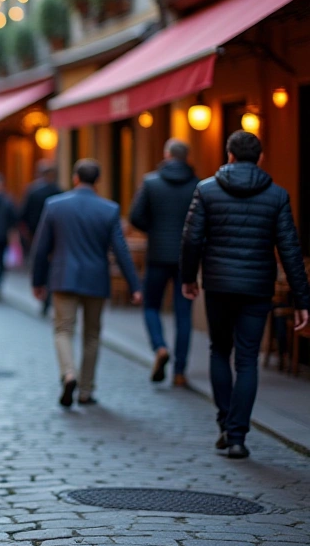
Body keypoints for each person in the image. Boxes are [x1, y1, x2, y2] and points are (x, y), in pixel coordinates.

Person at [181, 131, 310, 460]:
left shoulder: (206, 190)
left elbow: (192, 239)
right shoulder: (277, 195)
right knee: (248, 359)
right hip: (257, 288)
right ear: (261, 157)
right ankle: (238, 436)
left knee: (219, 350)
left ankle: (225, 424)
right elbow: (290, 250)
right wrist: (301, 299)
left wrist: (188, 278)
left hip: (219, 285)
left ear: (229, 155)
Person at [31, 159, 142, 409]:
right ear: (98, 182)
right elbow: (121, 250)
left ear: (75, 178)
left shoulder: (55, 205)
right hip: (95, 278)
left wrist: (38, 281)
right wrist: (134, 285)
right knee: (92, 335)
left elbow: (41, 248)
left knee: (62, 330)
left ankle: (68, 373)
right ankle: (85, 390)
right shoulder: (109, 209)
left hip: (64, 278)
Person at [128, 139, 200, 387]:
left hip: (158, 255)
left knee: (151, 306)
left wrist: (155, 230)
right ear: (186, 157)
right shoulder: (197, 185)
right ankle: (180, 372)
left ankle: (159, 347)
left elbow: (135, 216)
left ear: (167, 154)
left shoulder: (151, 182)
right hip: (185, 258)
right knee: (184, 314)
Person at [20, 161, 62, 315]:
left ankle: (42, 291)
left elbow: (24, 213)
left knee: (39, 262)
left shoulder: (33, 191)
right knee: (52, 265)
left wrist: (26, 231)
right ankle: (48, 295)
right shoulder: (59, 191)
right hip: (56, 235)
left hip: (36, 232)